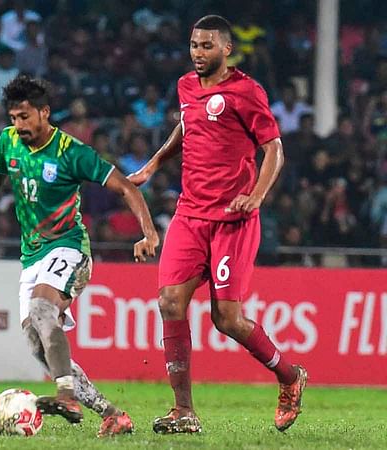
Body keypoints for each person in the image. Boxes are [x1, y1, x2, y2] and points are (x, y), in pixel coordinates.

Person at [0, 75, 159, 437]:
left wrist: (149, 233)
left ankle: (65, 394)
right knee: (38, 344)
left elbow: (125, 186)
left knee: (43, 310)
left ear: (45, 113)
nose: (19, 125)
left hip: (69, 247)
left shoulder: (71, 152)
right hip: (31, 257)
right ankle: (113, 414)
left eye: (25, 117)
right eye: (14, 117)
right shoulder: (8, 142)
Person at [127, 15, 306, 434]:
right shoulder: (186, 86)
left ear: (226, 49)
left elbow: (274, 150)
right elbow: (187, 125)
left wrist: (256, 196)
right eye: (193, 45)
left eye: (207, 46)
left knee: (226, 319)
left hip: (232, 220)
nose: (198, 54)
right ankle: (184, 411)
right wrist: (155, 161)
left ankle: (288, 376)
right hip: (190, 215)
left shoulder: (246, 91)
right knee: (170, 301)